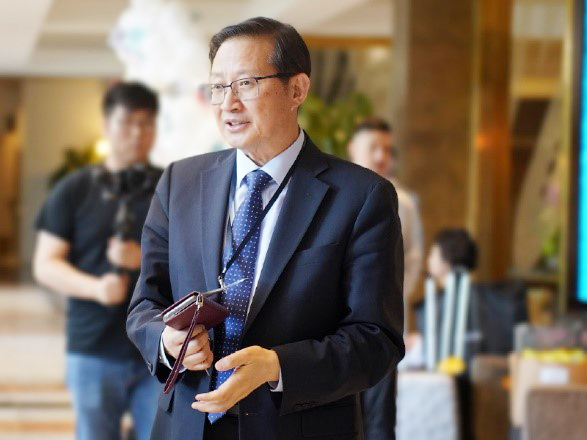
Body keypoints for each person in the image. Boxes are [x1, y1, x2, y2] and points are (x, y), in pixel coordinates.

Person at [126, 17, 405, 440]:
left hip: (296, 427)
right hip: (187, 424)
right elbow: (145, 305)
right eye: (218, 86)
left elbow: (376, 339)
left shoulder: (362, 196)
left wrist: (277, 367)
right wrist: (166, 341)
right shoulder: (179, 183)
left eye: (246, 84)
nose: (228, 103)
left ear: (297, 90)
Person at [33, 82, 162, 440]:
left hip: (157, 347)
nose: (137, 133)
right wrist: (96, 289)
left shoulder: (171, 186)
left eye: (146, 123)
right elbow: (46, 263)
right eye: (127, 122)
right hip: (93, 347)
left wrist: (142, 259)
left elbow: (196, 259)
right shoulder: (75, 188)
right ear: (107, 125)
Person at [347, 117, 423, 439]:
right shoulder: (336, 195)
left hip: (383, 324)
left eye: (388, 150)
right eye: (374, 147)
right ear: (353, 149)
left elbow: (414, 258)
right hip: (337, 328)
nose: (382, 156)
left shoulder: (402, 202)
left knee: (379, 418)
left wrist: (389, 299)